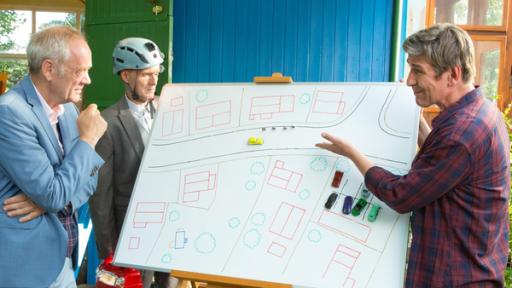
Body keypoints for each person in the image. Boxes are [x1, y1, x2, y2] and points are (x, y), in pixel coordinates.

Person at [316, 23, 510, 287]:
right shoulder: (481, 112)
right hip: (470, 270)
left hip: (455, 279)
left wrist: (351, 153)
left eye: (418, 71)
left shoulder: (461, 134)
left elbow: (402, 195)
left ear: (452, 75)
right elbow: (444, 168)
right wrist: (417, 123)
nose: (409, 81)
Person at [0, 26, 107, 287]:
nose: (88, 79)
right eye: (80, 70)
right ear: (49, 69)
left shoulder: (69, 111)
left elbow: (90, 178)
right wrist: (89, 139)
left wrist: (52, 201)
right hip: (26, 267)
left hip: (62, 259)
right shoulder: (10, 113)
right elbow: (52, 193)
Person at [89, 37, 176, 288]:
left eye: (156, 73)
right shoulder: (108, 123)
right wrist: (109, 250)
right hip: (130, 237)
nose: (154, 81)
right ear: (126, 75)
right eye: (145, 75)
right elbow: (101, 193)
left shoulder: (170, 107)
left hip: (169, 229)